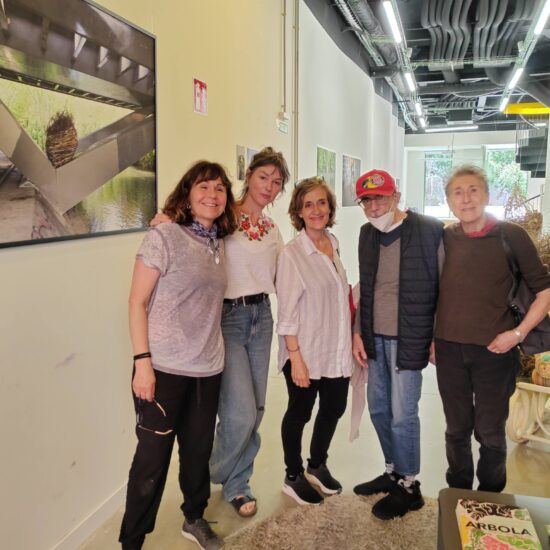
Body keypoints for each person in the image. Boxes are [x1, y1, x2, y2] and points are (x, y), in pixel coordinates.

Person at [151, 147, 290, 517]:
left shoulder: (274, 230)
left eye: (277, 182)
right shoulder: (224, 215)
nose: (269, 186)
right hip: (227, 318)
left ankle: (237, 484)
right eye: (263, 177)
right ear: (249, 176)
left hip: (262, 315)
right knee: (240, 412)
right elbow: (191, 230)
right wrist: (167, 220)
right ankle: (209, 469)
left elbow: (282, 278)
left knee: (257, 408)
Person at [119, 161, 237, 550]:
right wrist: (142, 363)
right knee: (151, 462)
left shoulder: (217, 239)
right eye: (204, 187)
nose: (212, 195)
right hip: (164, 369)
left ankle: (194, 517)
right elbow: (137, 303)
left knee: (198, 452)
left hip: (208, 366)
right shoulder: (164, 237)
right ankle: (132, 540)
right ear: (187, 192)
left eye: (220, 189)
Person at [434, 164, 550, 493]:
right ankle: (457, 496)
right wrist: (432, 338)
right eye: (458, 192)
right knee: (456, 430)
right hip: (448, 350)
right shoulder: (445, 238)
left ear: (486, 195)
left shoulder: (511, 235)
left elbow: (544, 291)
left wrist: (518, 333)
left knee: (490, 433)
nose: (466, 198)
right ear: (448, 200)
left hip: (495, 353)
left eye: (473, 190)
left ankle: (491, 500)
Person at [352, 169, 444, 520]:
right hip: (374, 335)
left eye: (381, 198)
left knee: (403, 415)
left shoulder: (429, 230)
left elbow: (443, 287)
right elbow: (366, 287)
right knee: (378, 409)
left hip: (411, 335)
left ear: (396, 196)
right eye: (367, 201)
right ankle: (393, 470)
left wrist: (436, 335)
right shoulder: (367, 235)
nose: (375, 206)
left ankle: (410, 486)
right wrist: (358, 330)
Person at [276, 177, 353, 505]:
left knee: (335, 407)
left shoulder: (332, 243)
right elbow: (288, 312)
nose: (316, 210)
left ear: (330, 207)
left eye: (321, 202)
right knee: (299, 413)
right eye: (308, 204)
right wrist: (296, 357)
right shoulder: (293, 254)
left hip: (335, 348)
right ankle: (293, 475)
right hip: (305, 350)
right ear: (298, 211)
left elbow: (338, 296)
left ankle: (317, 464)